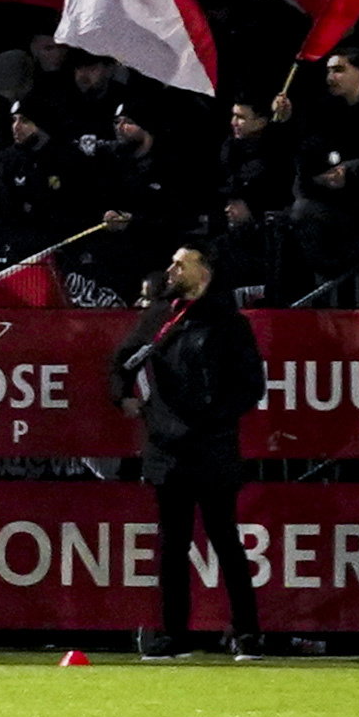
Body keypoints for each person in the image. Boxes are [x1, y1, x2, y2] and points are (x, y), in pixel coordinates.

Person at [112, 243, 264, 660]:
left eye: (182, 263)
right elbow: (122, 360)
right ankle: (173, 633)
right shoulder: (159, 315)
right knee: (173, 545)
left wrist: (212, 417)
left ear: (205, 272)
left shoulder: (228, 323)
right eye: (172, 261)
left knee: (224, 540)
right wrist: (122, 396)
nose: (172, 269)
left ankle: (247, 632)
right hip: (167, 448)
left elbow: (250, 386)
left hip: (211, 446)